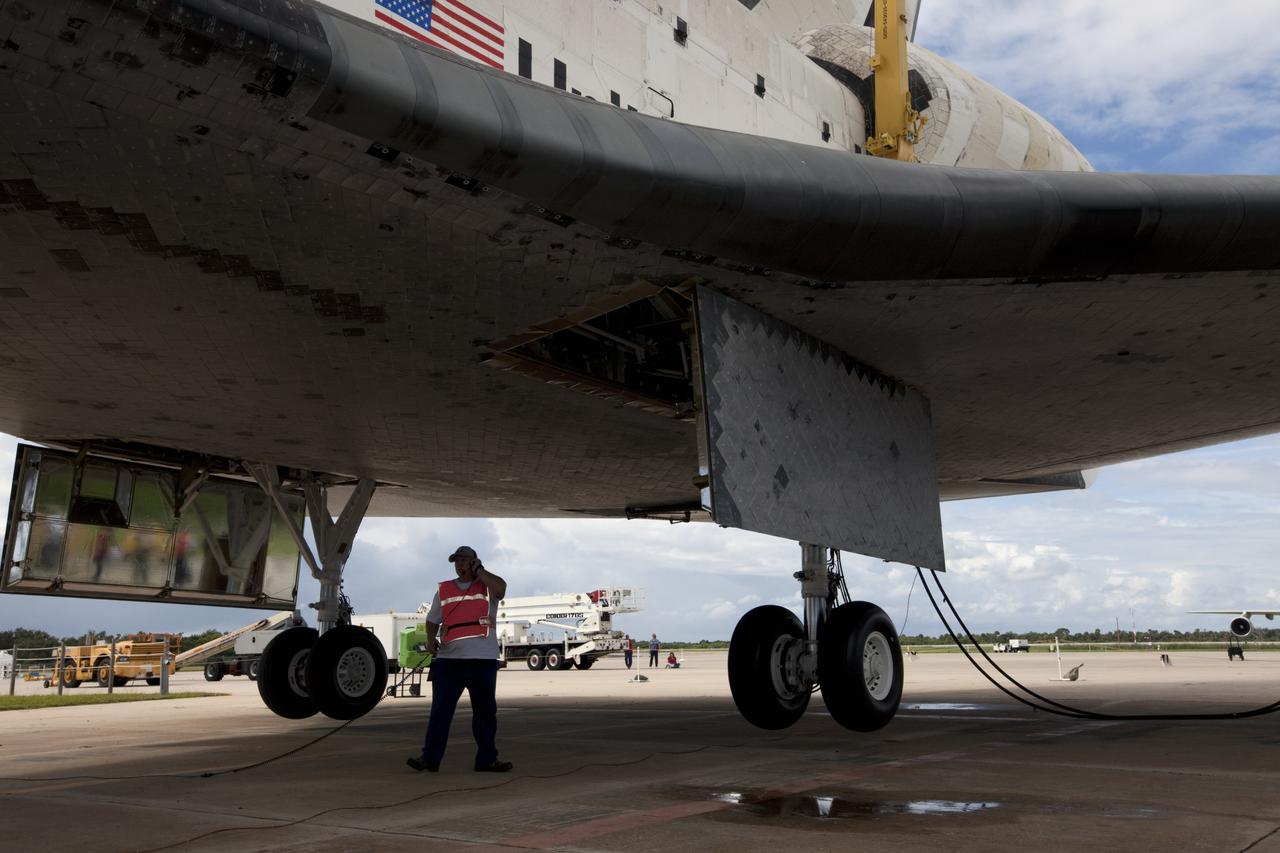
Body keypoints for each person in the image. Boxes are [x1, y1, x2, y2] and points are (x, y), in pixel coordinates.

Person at [407, 545, 512, 774]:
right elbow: (432, 619)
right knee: (440, 712)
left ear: (474, 561)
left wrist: (481, 571)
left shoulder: (487, 586)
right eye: (457, 561)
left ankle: (487, 759)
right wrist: (430, 638)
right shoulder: (444, 590)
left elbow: (501, 589)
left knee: (485, 713)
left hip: (482, 659)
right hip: (449, 660)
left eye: (464, 560)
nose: (459, 564)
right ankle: (429, 759)